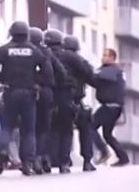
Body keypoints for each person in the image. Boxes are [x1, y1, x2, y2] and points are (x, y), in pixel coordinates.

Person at [0, 21, 48, 176]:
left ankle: (2, 151)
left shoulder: (3, 50)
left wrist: (3, 78)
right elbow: (47, 73)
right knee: (29, 130)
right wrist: (35, 80)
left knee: (7, 127)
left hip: (10, 92)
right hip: (29, 94)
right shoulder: (35, 51)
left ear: (12, 33)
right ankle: (27, 164)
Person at [44, 29, 92, 174]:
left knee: (48, 130)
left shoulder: (43, 53)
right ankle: (79, 161)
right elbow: (89, 73)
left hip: (47, 98)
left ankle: (48, 160)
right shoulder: (73, 57)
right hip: (70, 99)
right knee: (71, 129)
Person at [29, 27, 62, 174]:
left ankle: (31, 159)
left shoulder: (26, 50)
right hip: (47, 92)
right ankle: (43, 158)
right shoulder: (47, 52)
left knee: (30, 127)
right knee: (44, 127)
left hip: (30, 90)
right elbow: (60, 71)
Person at [62, 35, 97, 172]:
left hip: (57, 100)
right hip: (75, 99)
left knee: (63, 131)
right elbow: (91, 76)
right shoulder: (78, 59)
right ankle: (87, 161)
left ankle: (63, 162)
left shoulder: (54, 56)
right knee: (85, 129)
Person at [91, 48, 129, 166]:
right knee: (107, 134)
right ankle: (123, 158)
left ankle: (103, 151)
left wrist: (89, 72)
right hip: (113, 107)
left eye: (106, 56)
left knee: (89, 125)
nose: (103, 58)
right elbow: (95, 81)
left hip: (110, 107)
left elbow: (101, 76)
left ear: (113, 58)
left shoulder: (113, 70)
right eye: (103, 55)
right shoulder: (112, 72)